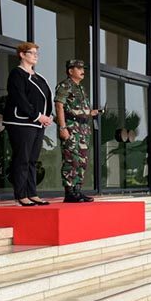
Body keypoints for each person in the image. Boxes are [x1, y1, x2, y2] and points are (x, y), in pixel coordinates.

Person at [3, 42, 53, 206]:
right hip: (21, 123)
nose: (35, 55)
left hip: (38, 124)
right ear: (22, 55)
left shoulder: (39, 77)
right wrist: (38, 116)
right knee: (22, 159)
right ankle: (21, 195)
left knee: (32, 160)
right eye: (32, 53)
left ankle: (32, 193)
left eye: (37, 53)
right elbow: (20, 99)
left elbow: (46, 98)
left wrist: (48, 116)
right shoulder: (17, 74)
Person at [55, 59, 98, 203]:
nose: (82, 70)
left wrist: (90, 112)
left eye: (83, 68)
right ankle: (69, 192)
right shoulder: (65, 85)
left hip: (84, 129)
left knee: (82, 161)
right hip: (71, 127)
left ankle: (77, 190)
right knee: (71, 159)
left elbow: (79, 109)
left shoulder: (80, 88)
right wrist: (62, 127)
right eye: (78, 68)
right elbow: (59, 106)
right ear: (70, 71)